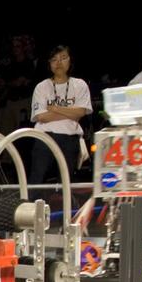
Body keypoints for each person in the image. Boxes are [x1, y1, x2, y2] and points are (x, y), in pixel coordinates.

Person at [29, 45, 91, 184]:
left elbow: (81, 112)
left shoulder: (80, 85)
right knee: (37, 179)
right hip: (44, 137)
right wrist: (70, 112)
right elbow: (41, 117)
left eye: (63, 58)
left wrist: (55, 108)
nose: (59, 62)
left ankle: (68, 205)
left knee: (66, 180)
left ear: (70, 61)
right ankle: (32, 204)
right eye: (54, 59)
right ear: (49, 64)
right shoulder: (41, 87)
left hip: (70, 138)